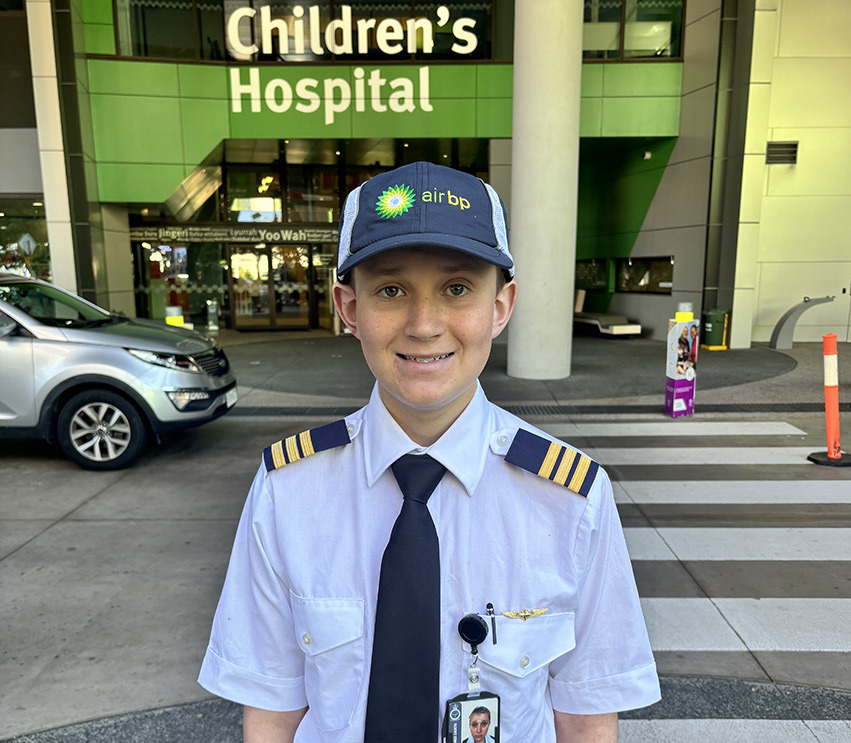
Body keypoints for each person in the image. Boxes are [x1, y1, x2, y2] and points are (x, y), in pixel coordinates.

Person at [198, 162, 660, 742]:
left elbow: (586, 718)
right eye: (390, 290)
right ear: (348, 308)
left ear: (500, 305)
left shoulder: (570, 498)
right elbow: (271, 710)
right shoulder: (288, 489)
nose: (423, 325)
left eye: (457, 288)